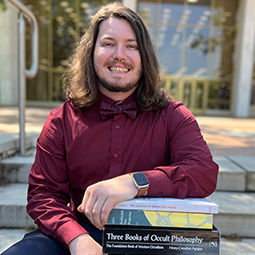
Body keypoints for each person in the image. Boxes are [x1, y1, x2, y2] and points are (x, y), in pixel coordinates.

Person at [2, 3, 218, 255]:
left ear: (144, 56)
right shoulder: (61, 120)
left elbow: (203, 171)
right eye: (108, 43)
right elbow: (43, 195)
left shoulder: (173, 115)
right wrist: (76, 239)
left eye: (131, 46)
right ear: (91, 52)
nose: (119, 55)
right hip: (80, 231)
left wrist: (136, 182)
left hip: (153, 238)